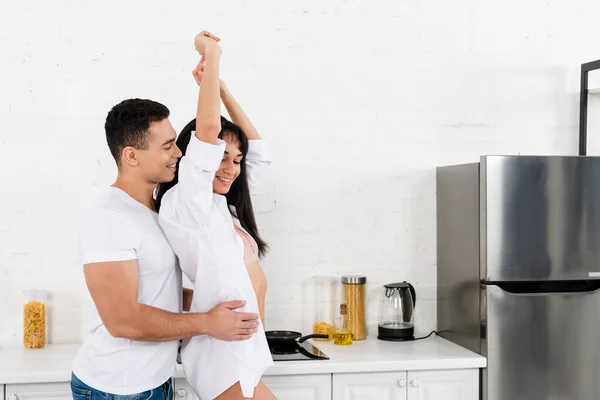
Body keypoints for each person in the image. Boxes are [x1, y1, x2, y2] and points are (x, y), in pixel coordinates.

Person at [71, 45, 260, 399]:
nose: (178, 153)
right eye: (168, 146)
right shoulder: (109, 220)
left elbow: (157, 289)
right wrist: (207, 322)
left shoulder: (157, 210)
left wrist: (213, 295)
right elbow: (123, 320)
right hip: (116, 389)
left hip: (155, 382)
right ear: (131, 156)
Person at [156, 31, 275, 399]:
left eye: (235, 161)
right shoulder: (187, 201)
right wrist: (212, 54)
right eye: (221, 157)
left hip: (245, 351)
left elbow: (259, 151)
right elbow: (208, 131)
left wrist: (222, 91)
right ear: (196, 157)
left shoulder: (224, 210)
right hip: (221, 353)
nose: (231, 168)